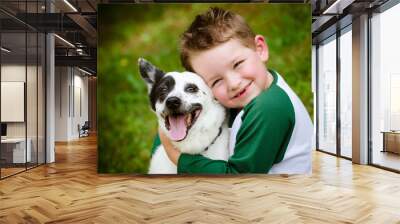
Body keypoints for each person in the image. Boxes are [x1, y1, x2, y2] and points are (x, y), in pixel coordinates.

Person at [154, 7, 313, 174]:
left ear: (260, 49)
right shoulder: (256, 90)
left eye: (237, 64)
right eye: (216, 81)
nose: (233, 84)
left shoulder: (268, 108)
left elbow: (237, 177)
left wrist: (176, 156)